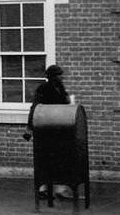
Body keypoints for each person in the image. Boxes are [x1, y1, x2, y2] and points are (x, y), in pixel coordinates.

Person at [24, 64, 73, 199]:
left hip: (59, 130)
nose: (61, 77)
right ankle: (43, 189)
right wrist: (29, 128)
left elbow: (65, 105)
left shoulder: (61, 89)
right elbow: (35, 108)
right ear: (52, 77)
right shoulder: (43, 89)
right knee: (45, 161)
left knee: (60, 160)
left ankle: (60, 189)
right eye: (58, 75)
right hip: (45, 131)